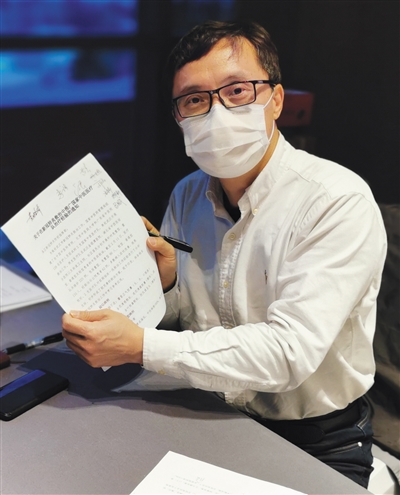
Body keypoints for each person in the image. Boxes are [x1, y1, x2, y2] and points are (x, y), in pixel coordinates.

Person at [62, 20, 387, 488]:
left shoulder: (336, 200)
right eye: (195, 100)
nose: (216, 112)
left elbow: (287, 353)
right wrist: (167, 284)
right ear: (179, 117)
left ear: (276, 100)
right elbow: (185, 319)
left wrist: (140, 345)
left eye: (236, 91)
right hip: (210, 409)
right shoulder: (188, 194)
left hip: (318, 437)